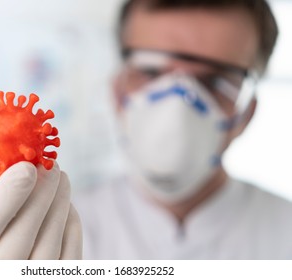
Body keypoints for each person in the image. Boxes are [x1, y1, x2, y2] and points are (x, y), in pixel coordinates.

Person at [73, 0, 292, 259]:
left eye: (214, 81)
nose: (177, 106)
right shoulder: (60, 233)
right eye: (151, 72)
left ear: (246, 114)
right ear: (117, 92)